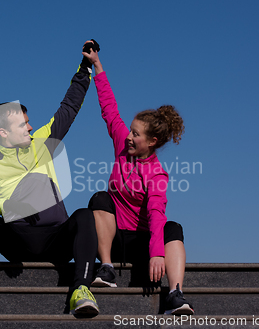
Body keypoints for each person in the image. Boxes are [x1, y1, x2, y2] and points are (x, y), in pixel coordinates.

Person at [0, 40, 101, 317]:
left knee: (85, 215)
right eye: (24, 124)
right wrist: (9, 205)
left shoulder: (43, 141)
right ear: (3, 132)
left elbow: (69, 107)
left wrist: (85, 67)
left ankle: (81, 291)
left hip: (55, 239)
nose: (31, 126)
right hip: (17, 239)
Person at [82, 47, 195, 315]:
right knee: (100, 198)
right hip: (114, 240)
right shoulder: (122, 144)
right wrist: (97, 65)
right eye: (130, 131)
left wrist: (157, 253)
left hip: (144, 244)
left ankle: (176, 294)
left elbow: (157, 214)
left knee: (173, 227)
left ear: (153, 142)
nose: (129, 137)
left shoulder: (156, 174)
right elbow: (109, 109)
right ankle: (106, 269)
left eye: (136, 134)